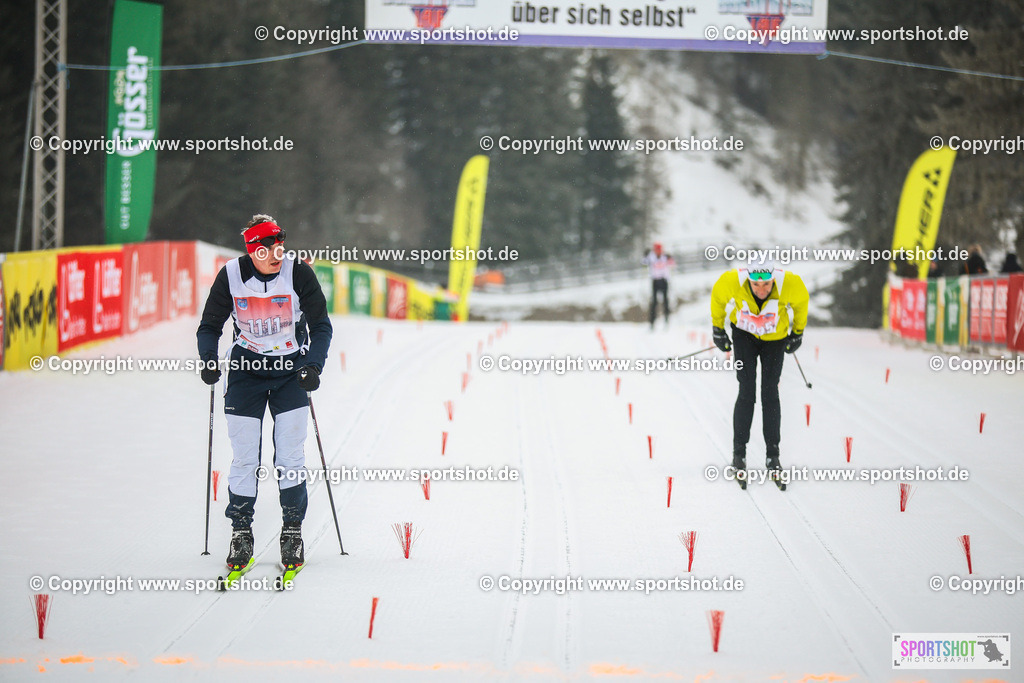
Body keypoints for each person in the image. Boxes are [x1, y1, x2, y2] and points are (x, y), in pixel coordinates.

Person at [196, 214, 333, 576]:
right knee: (244, 457)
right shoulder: (231, 275)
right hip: (245, 372)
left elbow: (321, 326)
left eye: (280, 248)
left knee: (289, 454)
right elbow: (209, 326)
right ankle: (241, 532)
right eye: (268, 250)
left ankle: (291, 530)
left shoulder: (298, 273)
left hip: (290, 371)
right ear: (253, 251)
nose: (277, 256)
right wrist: (209, 360)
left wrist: (313, 365)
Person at [710, 257, 808, 487]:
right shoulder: (732, 280)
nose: (762, 289)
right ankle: (739, 454)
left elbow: (802, 303)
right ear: (749, 280)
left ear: (773, 279)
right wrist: (718, 328)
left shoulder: (790, 283)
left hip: (774, 339)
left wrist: (798, 332)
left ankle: (773, 456)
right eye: (756, 285)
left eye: (767, 284)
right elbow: (718, 298)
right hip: (744, 336)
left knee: (770, 392)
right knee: (747, 390)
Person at [642, 242, 675, 329]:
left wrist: (670, 258)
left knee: (665, 301)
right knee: (654, 302)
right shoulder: (651, 256)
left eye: (660, 250)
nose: (658, 252)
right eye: (657, 250)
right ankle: (652, 322)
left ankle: (667, 320)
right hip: (655, 281)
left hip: (664, 280)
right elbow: (644, 262)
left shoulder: (665, 256)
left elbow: (672, 264)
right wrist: (645, 255)